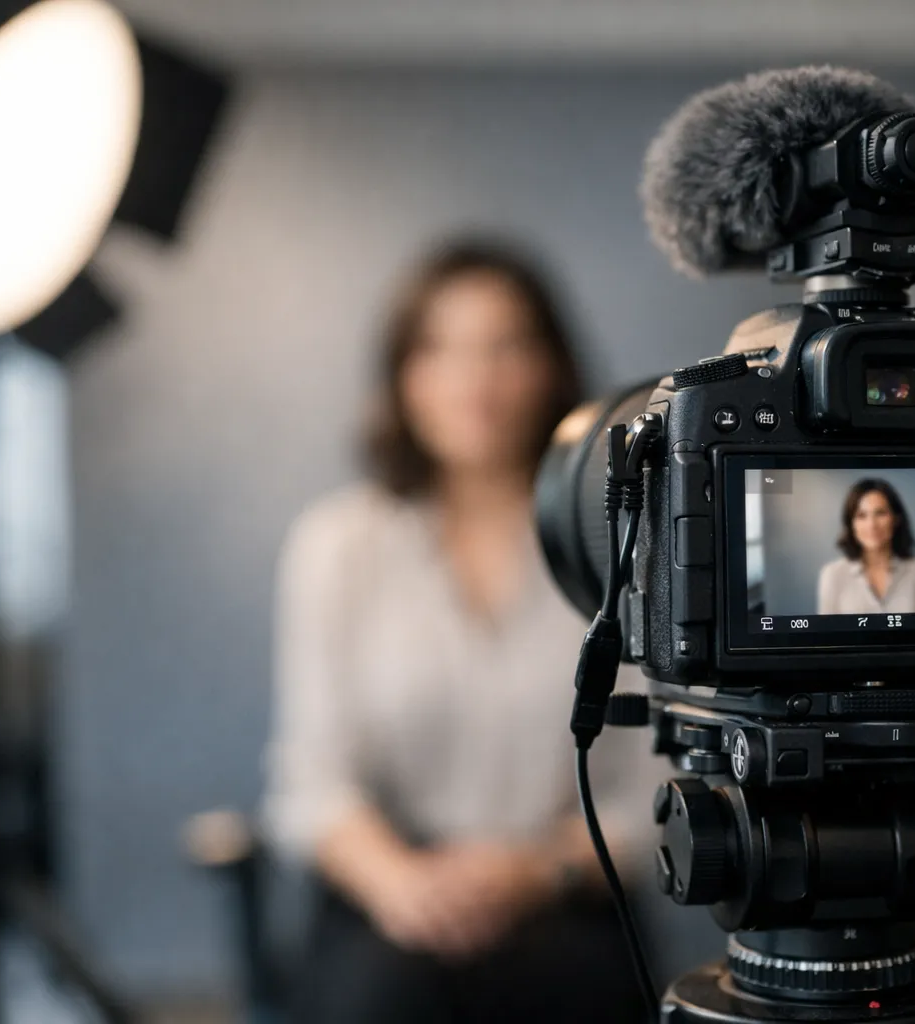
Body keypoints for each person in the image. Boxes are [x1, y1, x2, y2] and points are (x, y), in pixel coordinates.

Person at [263, 240, 654, 1023]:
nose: (476, 381)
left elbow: (653, 785)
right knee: (385, 996)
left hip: (569, 892)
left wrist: (533, 871)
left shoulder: (625, 543)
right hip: (388, 897)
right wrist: (402, 885)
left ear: (552, 367)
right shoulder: (338, 545)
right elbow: (311, 781)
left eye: (506, 346)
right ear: (403, 376)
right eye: (442, 349)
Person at [816, 478, 915, 615]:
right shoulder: (832, 575)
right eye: (861, 515)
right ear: (851, 524)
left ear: (896, 519)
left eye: (880, 513)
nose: (872, 525)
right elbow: (827, 635)